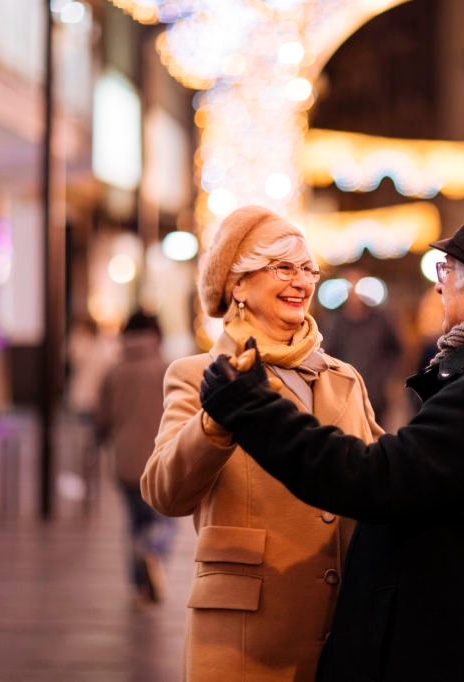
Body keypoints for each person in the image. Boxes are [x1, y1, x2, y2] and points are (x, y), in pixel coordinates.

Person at [198, 194, 464, 682]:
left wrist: (252, 408)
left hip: (451, 656)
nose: (438, 289)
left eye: (446, 273)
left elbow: (375, 477)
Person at [141, 206, 383, 682]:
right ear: (238, 285)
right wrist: (216, 422)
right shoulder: (197, 377)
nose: (302, 282)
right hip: (244, 634)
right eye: (284, 268)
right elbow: (163, 491)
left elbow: (380, 484)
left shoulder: (344, 380)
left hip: (344, 626)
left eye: (308, 269)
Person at [95, 311, 174, 605]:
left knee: (134, 524)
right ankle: (153, 551)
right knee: (164, 520)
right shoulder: (168, 369)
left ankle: (139, 588)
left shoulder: (113, 372)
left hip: (125, 461)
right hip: (161, 461)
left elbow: (101, 419)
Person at [319, 268, 403, 429]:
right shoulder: (334, 322)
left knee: (377, 432)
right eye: (350, 286)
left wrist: (388, 378)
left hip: (376, 392)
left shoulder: (381, 319)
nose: (354, 292)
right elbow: (327, 353)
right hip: (346, 393)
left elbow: (395, 351)